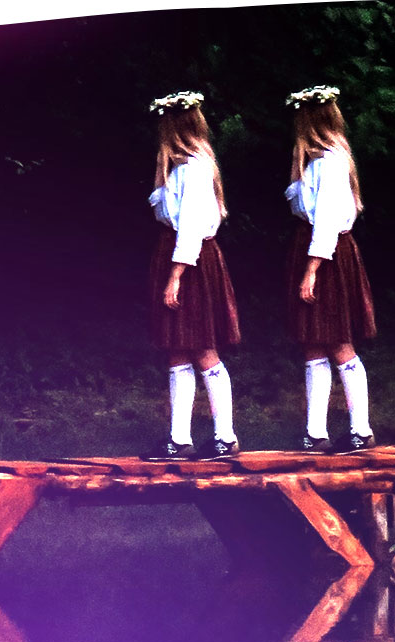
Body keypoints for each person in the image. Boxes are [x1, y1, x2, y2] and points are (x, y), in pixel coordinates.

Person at [143, 90, 242, 461]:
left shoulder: (194, 169)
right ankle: (179, 438)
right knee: (176, 349)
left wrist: (176, 275)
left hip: (191, 260)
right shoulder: (179, 168)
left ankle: (225, 436)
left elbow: (191, 227)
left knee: (202, 346)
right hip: (175, 255)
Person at [285, 84, 378, 453]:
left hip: (327, 254)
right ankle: (316, 432)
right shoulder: (316, 161)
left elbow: (325, 220)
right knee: (313, 342)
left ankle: (361, 428)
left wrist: (311, 270)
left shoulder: (331, 163)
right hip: (313, 248)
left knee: (338, 340)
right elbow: (300, 207)